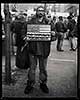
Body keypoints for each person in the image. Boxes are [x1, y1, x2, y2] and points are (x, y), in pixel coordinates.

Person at [23, 6, 53, 94]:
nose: (40, 12)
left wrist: (53, 34)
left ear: (44, 12)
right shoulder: (30, 22)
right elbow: (23, 31)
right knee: (32, 69)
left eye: (42, 11)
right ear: (36, 12)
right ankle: (30, 84)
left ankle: (43, 84)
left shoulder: (49, 22)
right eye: (39, 11)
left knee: (43, 69)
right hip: (33, 49)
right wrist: (24, 36)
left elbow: (54, 36)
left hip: (44, 50)